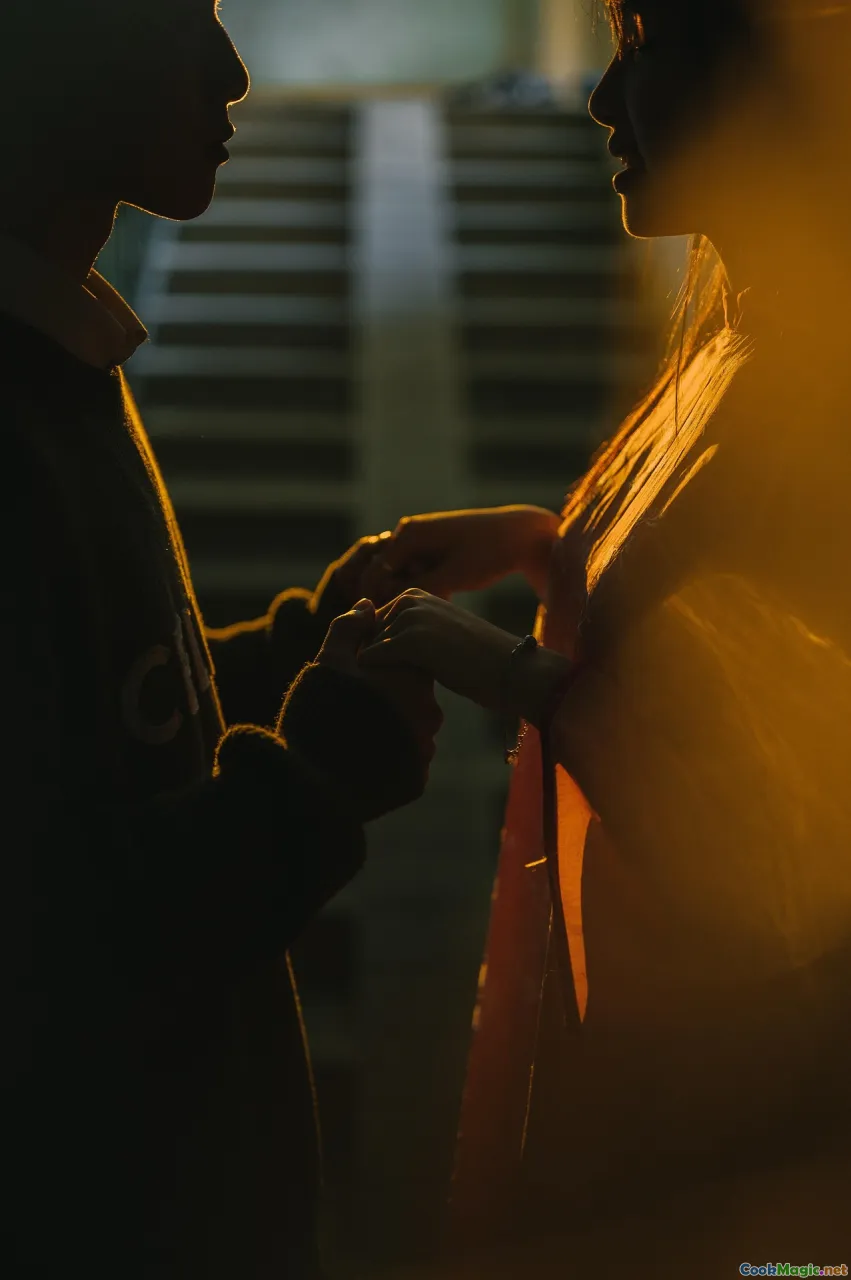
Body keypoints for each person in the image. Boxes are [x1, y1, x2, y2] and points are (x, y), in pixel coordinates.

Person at [360, 1, 851, 1273]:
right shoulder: (741, 334)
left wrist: (488, 664)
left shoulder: (816, 369)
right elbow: (706, 611)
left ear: (763, 75)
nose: (595, 103)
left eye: (638, 53)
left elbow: (767, 811)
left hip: (752, 1089)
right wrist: (542, 542)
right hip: (668, 1034)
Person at [0, 2, 443, 1277]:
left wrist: (294, 647)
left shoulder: (56, 353)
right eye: (172, 17)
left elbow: (102, 739)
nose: (234, 70)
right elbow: (62, 954)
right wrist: (316, 776)